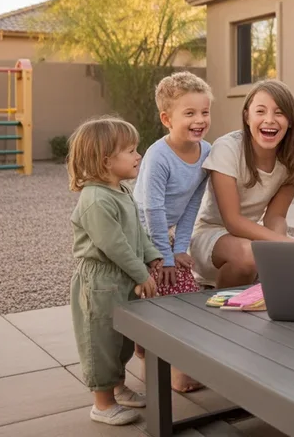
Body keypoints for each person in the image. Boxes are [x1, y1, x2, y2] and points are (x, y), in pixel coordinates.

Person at [67, 116, 162, 426]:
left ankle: (118, 387)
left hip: (123, 275)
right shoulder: (95, 200)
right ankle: (102, 403)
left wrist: (152, 256)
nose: (139, 156)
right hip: (101, 281)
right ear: (106, 160)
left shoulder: (121, 190)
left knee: (122, 338)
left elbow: (137, 233)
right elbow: (115, 246)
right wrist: (142, 275)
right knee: (102, 340)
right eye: (131, 151)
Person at [189, 79, 294, 288]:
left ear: (291, 120)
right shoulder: (227, 149)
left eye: (279, 113)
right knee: (250, 255)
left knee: (289, 259)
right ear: (247, 117)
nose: (270, 120)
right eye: (260, 111)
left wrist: (279, 251)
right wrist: (284, 244)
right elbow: (232, 221)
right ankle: (218, 303)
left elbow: (275, 216)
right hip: (211, 234)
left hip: (252, 237)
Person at [132, 71, 213, 393]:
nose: (199, 120)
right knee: (166, 290)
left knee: (181, 291)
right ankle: (174, 369)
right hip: (138, 232)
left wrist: (180, 249)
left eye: (205, 112)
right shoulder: (158, 155)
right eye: (189, 113)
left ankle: (150, 349)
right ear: (167, 118)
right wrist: (162, 257)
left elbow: (193, 204)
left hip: (164, 233)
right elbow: (151, 209)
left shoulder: (205, 152)